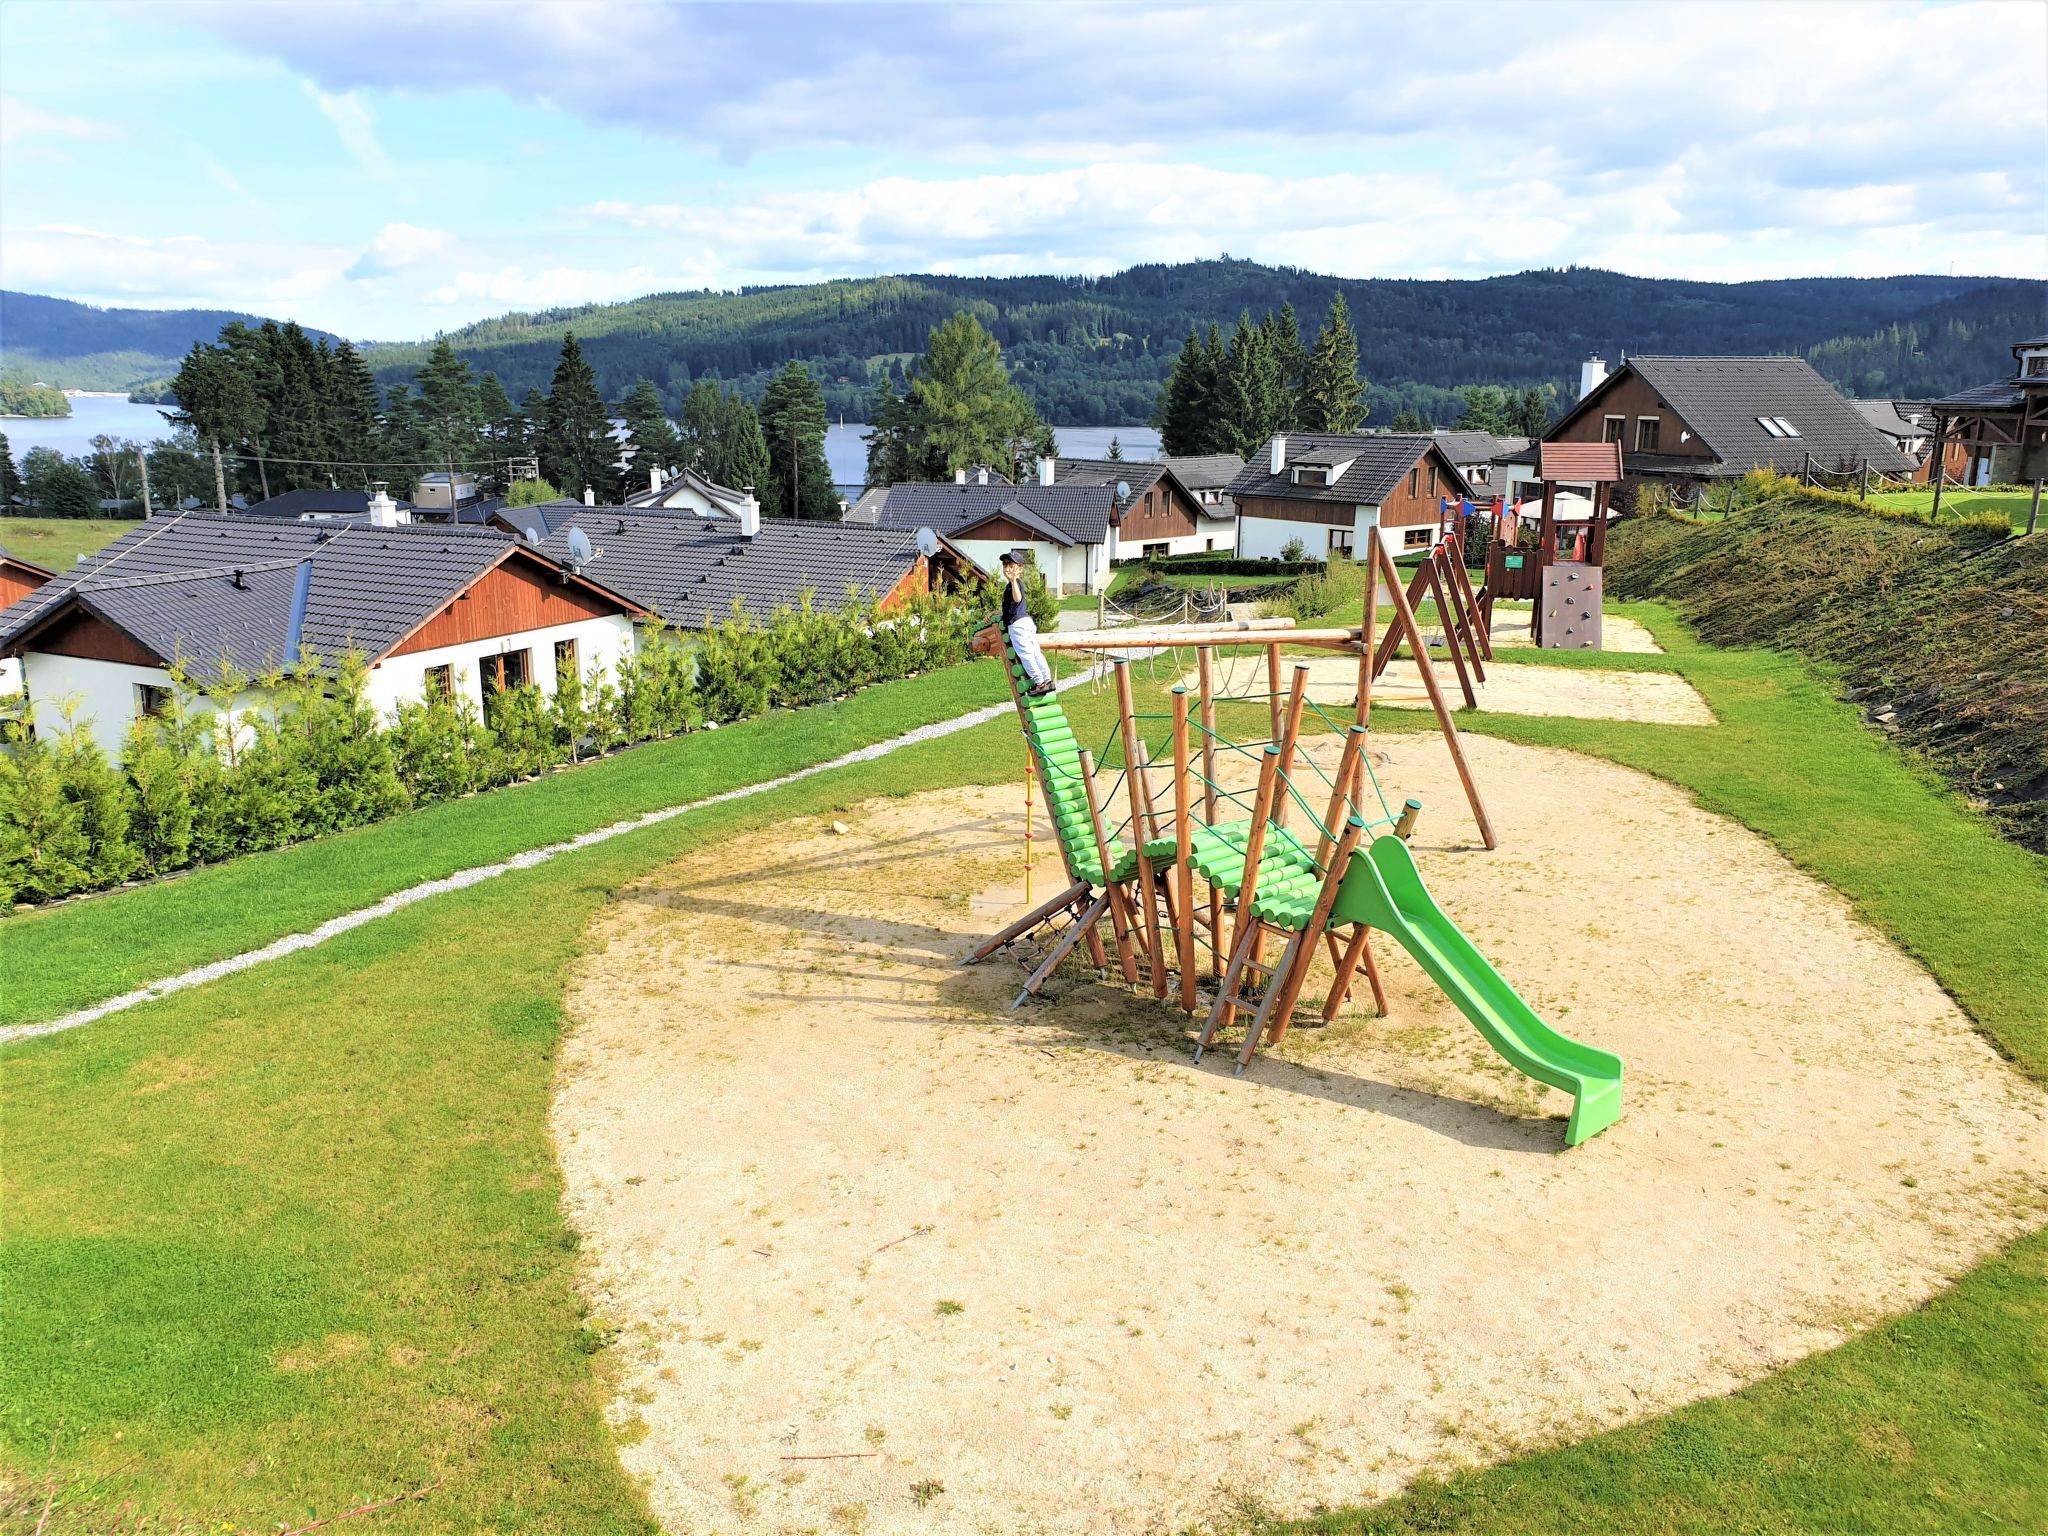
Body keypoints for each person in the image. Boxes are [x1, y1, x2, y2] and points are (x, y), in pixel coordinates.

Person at [1000, 549, 1054, 697]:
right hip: (1025, 622)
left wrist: (1012, 580)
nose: (1007, 568)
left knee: (1026, 654)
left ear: (1020, 569)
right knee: (1036, 653)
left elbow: (1017, 599)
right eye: (1005, 565)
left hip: (1018, 626)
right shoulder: (1014, 584)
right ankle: (1048, 680)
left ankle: (1040, 683)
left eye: (1011, 565)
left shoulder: (1015, 583)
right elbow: (1013, 605)